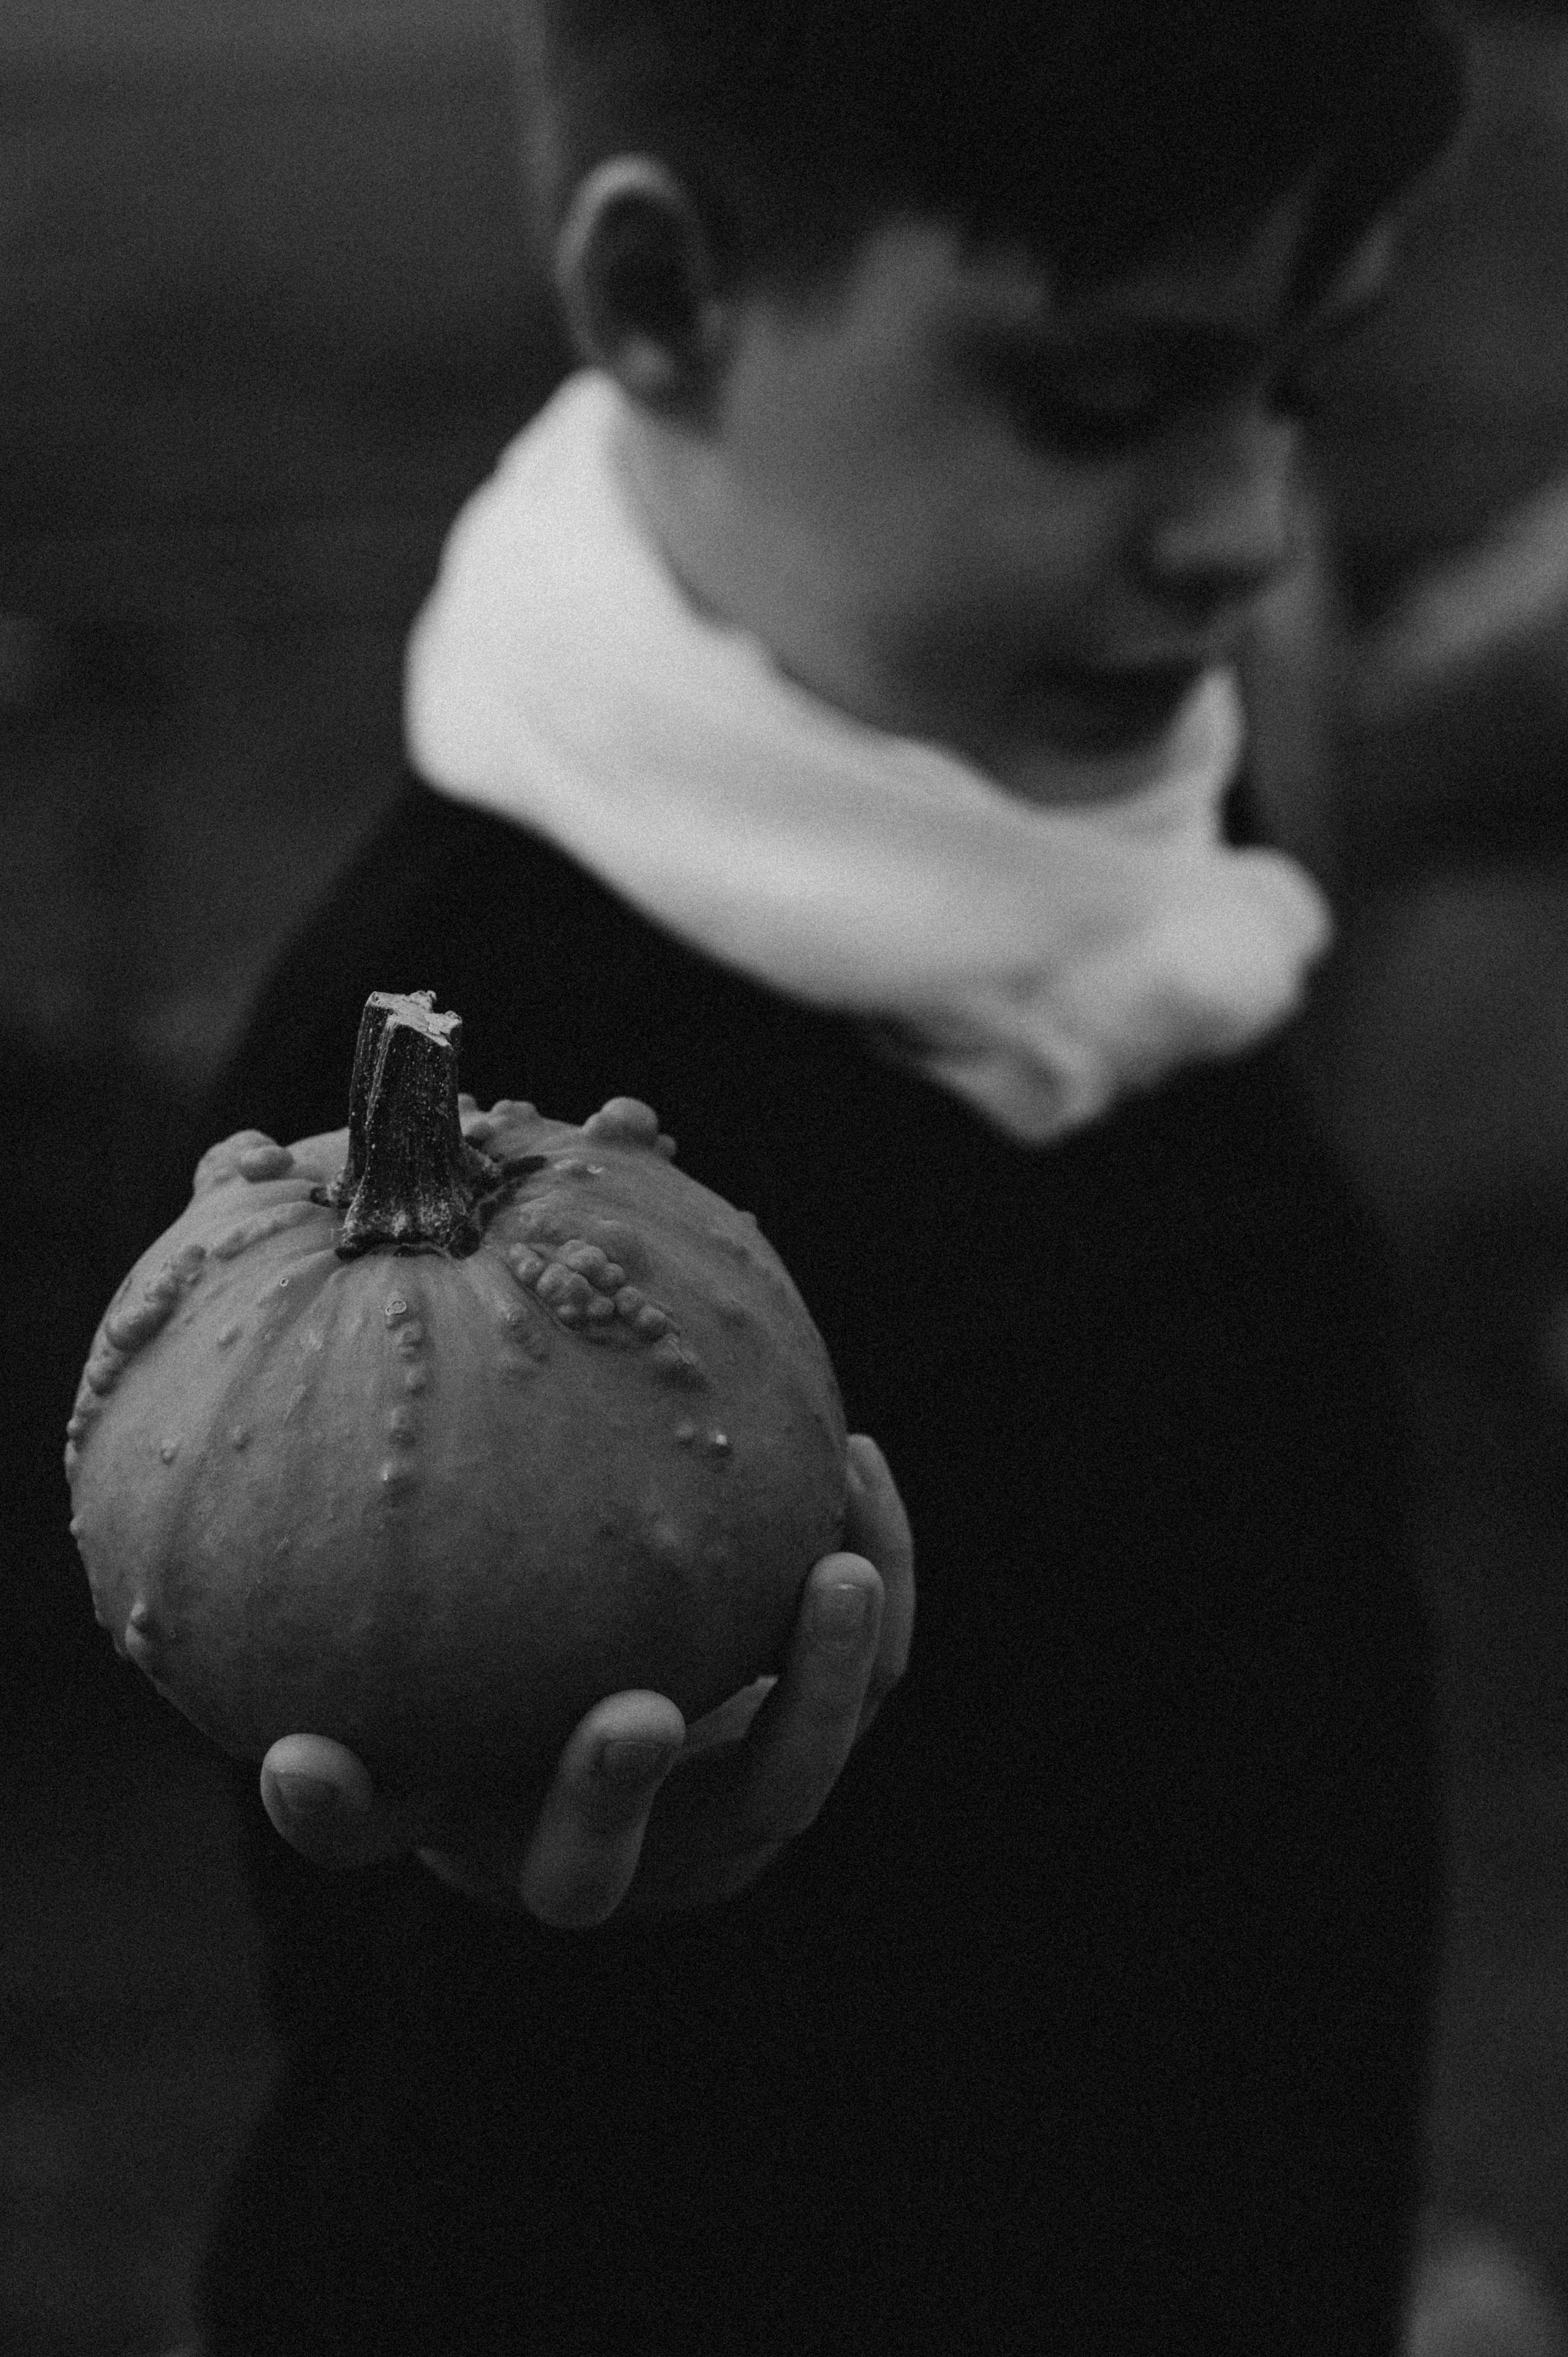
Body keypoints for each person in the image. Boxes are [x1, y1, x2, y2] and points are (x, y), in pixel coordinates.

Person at [181, 4, 1471, 2349]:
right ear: (666, 300)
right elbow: (426, 2036)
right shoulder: (444, 1077)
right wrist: (569, 1900)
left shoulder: (1099, 821)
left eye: (1299, 383)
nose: (1246, 528)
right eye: (1106, 399)